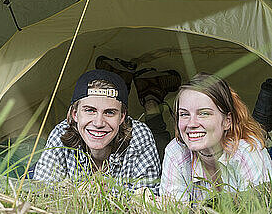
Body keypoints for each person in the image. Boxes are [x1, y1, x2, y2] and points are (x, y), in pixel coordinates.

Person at [33, 69, 161, 193]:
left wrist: (108, 195)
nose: (98, 123)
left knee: (161, 137)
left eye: (109, 112)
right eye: (90, 110)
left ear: (122, 117)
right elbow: (42, 192)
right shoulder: (61, 133)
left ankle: (151, 97)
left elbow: (148, 198)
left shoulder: (139, 135)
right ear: (75, 114)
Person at [160, 72, 272, 203]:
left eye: (204, 113)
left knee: (260, 129)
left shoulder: (246, 150)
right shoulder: (176, 152)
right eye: (184, 114)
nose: (191, 124)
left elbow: (258, 213)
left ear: (227, 121)